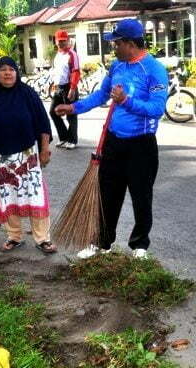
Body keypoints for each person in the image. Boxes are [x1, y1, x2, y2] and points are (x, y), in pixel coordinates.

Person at [55, 18, 169, 260]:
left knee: (141, 196)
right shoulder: (117, 67)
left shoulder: (154, 70)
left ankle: (140, 246)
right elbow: (100, 95)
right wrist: (74, 108)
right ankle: (101, 242)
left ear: (130, 43)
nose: (112, 48)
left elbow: (157, 109)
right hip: (114, 142)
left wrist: (126, 101)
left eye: (116, 43)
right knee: (107, 194)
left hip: (141, 144)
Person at [0, 57, 57, 254]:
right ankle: (14, 236)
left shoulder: (27, 94)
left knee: (35, 195)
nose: (8, 73)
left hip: (27, 156)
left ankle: (42, 239)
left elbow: (42, 122)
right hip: (2, 159)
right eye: (3, 70)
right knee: (7, 195)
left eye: (11, 69)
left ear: (17, 72)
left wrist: (45, 148)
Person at [50, 30, 81, 149]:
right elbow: (57, 72)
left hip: (69, 86)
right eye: (59, 41)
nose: (61, 43)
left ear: (67, 40)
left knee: (71, 114)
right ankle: (63, 137)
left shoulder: (72, 54)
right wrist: (54, 84)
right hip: (58, 88)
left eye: (64, 41)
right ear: (56, 42)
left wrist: (72, 89)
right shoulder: (57, 55)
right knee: (53, 112)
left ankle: (72, 140)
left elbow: (75, 72)